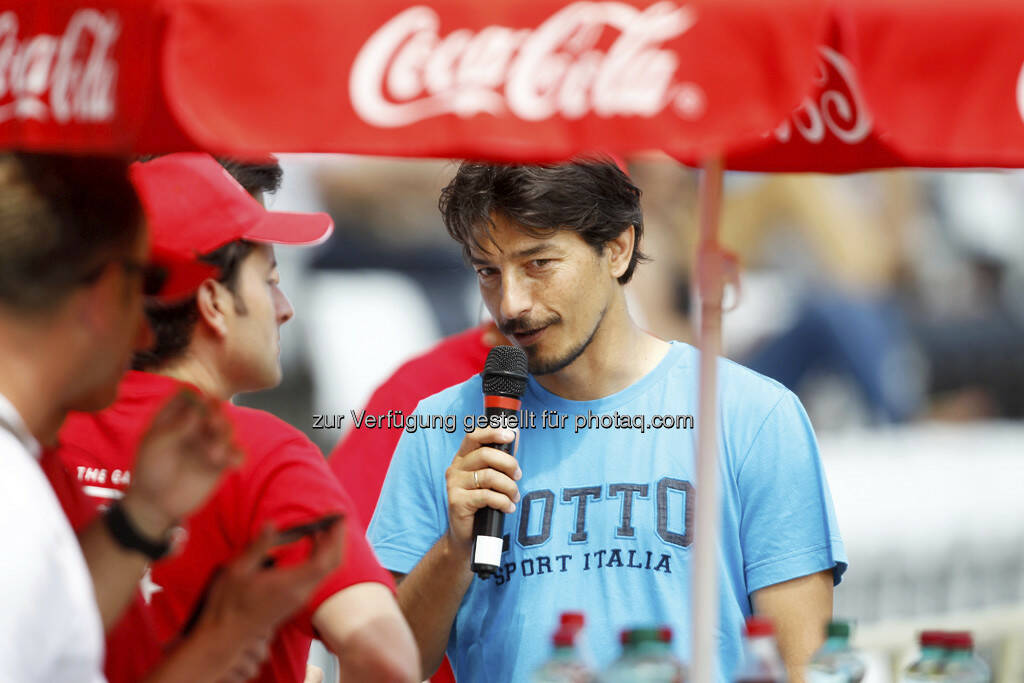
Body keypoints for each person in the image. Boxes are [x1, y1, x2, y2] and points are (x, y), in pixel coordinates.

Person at [368, 159, 847, 682]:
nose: (510, 304)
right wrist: (453, 550)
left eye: (538, 264)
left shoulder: (750, 414)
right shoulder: (442, 426)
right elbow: (379, 670)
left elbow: (804, 665)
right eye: (488, 271)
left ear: (617, 249)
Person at [48, 153, 420, 683]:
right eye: (268, 281)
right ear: (214, 303)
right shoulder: (262, 450)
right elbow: (385, 656)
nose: (285, 307)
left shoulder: (45, 435)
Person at [0, 152, 245, 681]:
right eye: (143, 290)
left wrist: (142, 516)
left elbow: (48, 639)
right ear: (105, 293)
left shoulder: (21, 470)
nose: (146, 335)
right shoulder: (9, 499)